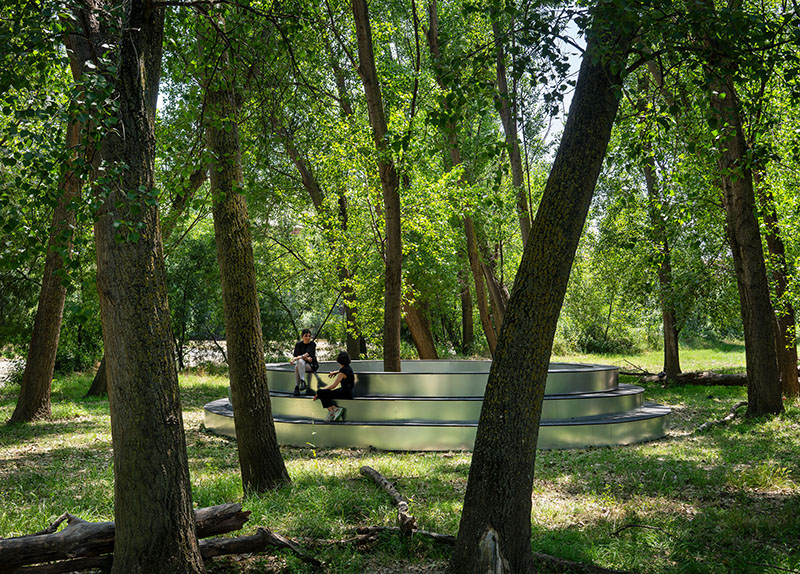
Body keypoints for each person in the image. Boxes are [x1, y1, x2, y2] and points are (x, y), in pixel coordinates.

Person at [314, 351, 354, 422]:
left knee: (321, 392)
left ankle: (333, 411)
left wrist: (322, 391)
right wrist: (336, 372)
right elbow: (342, 371)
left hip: (344, 393)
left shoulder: (342, 373)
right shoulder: (348, 368)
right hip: (348, 391)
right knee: (324, 393)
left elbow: (334, 386)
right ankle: (334, 410)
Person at [289, 328, 318, 396]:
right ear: (302, 336)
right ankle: (301, 383)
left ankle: (297, 387)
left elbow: (306, 355)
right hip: (301, 364)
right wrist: (305, 358)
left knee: (298, 365)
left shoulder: (312, 344)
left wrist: (295, 359)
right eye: (306, 336)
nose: (308, 338)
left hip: (311, 365)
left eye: (309, 336)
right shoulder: (298, 344)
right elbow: (299, 355)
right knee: (298, 364)